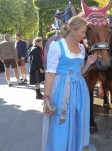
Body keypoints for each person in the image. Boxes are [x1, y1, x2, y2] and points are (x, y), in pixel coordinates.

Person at [41, 16, 97, 151]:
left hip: (80, 91)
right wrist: (46, 99)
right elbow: (50, 74)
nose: (84, 36)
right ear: (72, 30)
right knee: (61, 124)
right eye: (82, 32)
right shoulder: (57, 46)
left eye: (85, 33)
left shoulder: (82, 48)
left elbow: (80, 72)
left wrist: (88, 63)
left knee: (78, 122)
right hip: (62, 90)